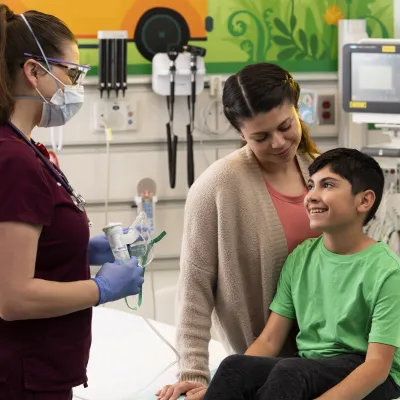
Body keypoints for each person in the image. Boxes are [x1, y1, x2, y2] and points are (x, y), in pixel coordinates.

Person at [0, 5, 145, 399]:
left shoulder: (30, 151)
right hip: (22, 377)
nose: (77, 85)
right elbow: (12, 298)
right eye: (73, 73)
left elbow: (24, 246)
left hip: (40, 370)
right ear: (34, 71)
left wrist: (85, 247)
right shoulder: (13, 159)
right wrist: (99, 289)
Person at [157, 63, 321, 400]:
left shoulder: (323, 172)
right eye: (260, 137)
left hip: (329, 364)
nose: (278, 143)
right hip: (262, 369)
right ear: (241, 134)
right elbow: (195, 287)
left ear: (296, 108)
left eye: (285, 126)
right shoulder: (216, 188)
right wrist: (192, 372)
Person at [203, 148, 400, 400]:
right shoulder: (301, 258)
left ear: (364, 201)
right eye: (310, 186)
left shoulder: (388, 271)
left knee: (291, 371)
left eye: (327, 185)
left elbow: (376, 368)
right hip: (310, 366)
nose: (311, 196)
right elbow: (270, 340)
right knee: (234, 366)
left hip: (369, 371)